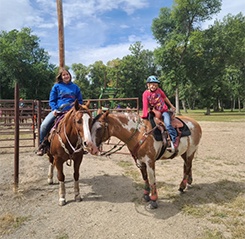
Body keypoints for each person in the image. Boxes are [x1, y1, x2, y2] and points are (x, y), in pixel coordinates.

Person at [36, 68, 83, 156]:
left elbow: (80, 100)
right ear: (61, 77)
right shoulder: (56, 86)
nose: (66, 76)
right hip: (59, 111)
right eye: (64, 75)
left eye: (67, 74)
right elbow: (52, 100)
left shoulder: (75, 87)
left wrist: (77, 109)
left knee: (83, 124)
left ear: (70, 75)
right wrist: (54, 109)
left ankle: (83, 146)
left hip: (72, 112)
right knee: (44, 125)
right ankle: (42, 145)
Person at [141, 75, 179, 150]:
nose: (153, 86)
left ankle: (175, 139)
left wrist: (171, 105)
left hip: (163, 111)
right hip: (154, 111)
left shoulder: (159, 91)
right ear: (148, 85)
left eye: (155, 85)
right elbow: (145, 104)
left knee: (167, 124)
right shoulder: (145, 94)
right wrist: (144, 115)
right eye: (152, 84)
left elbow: (165, 98)